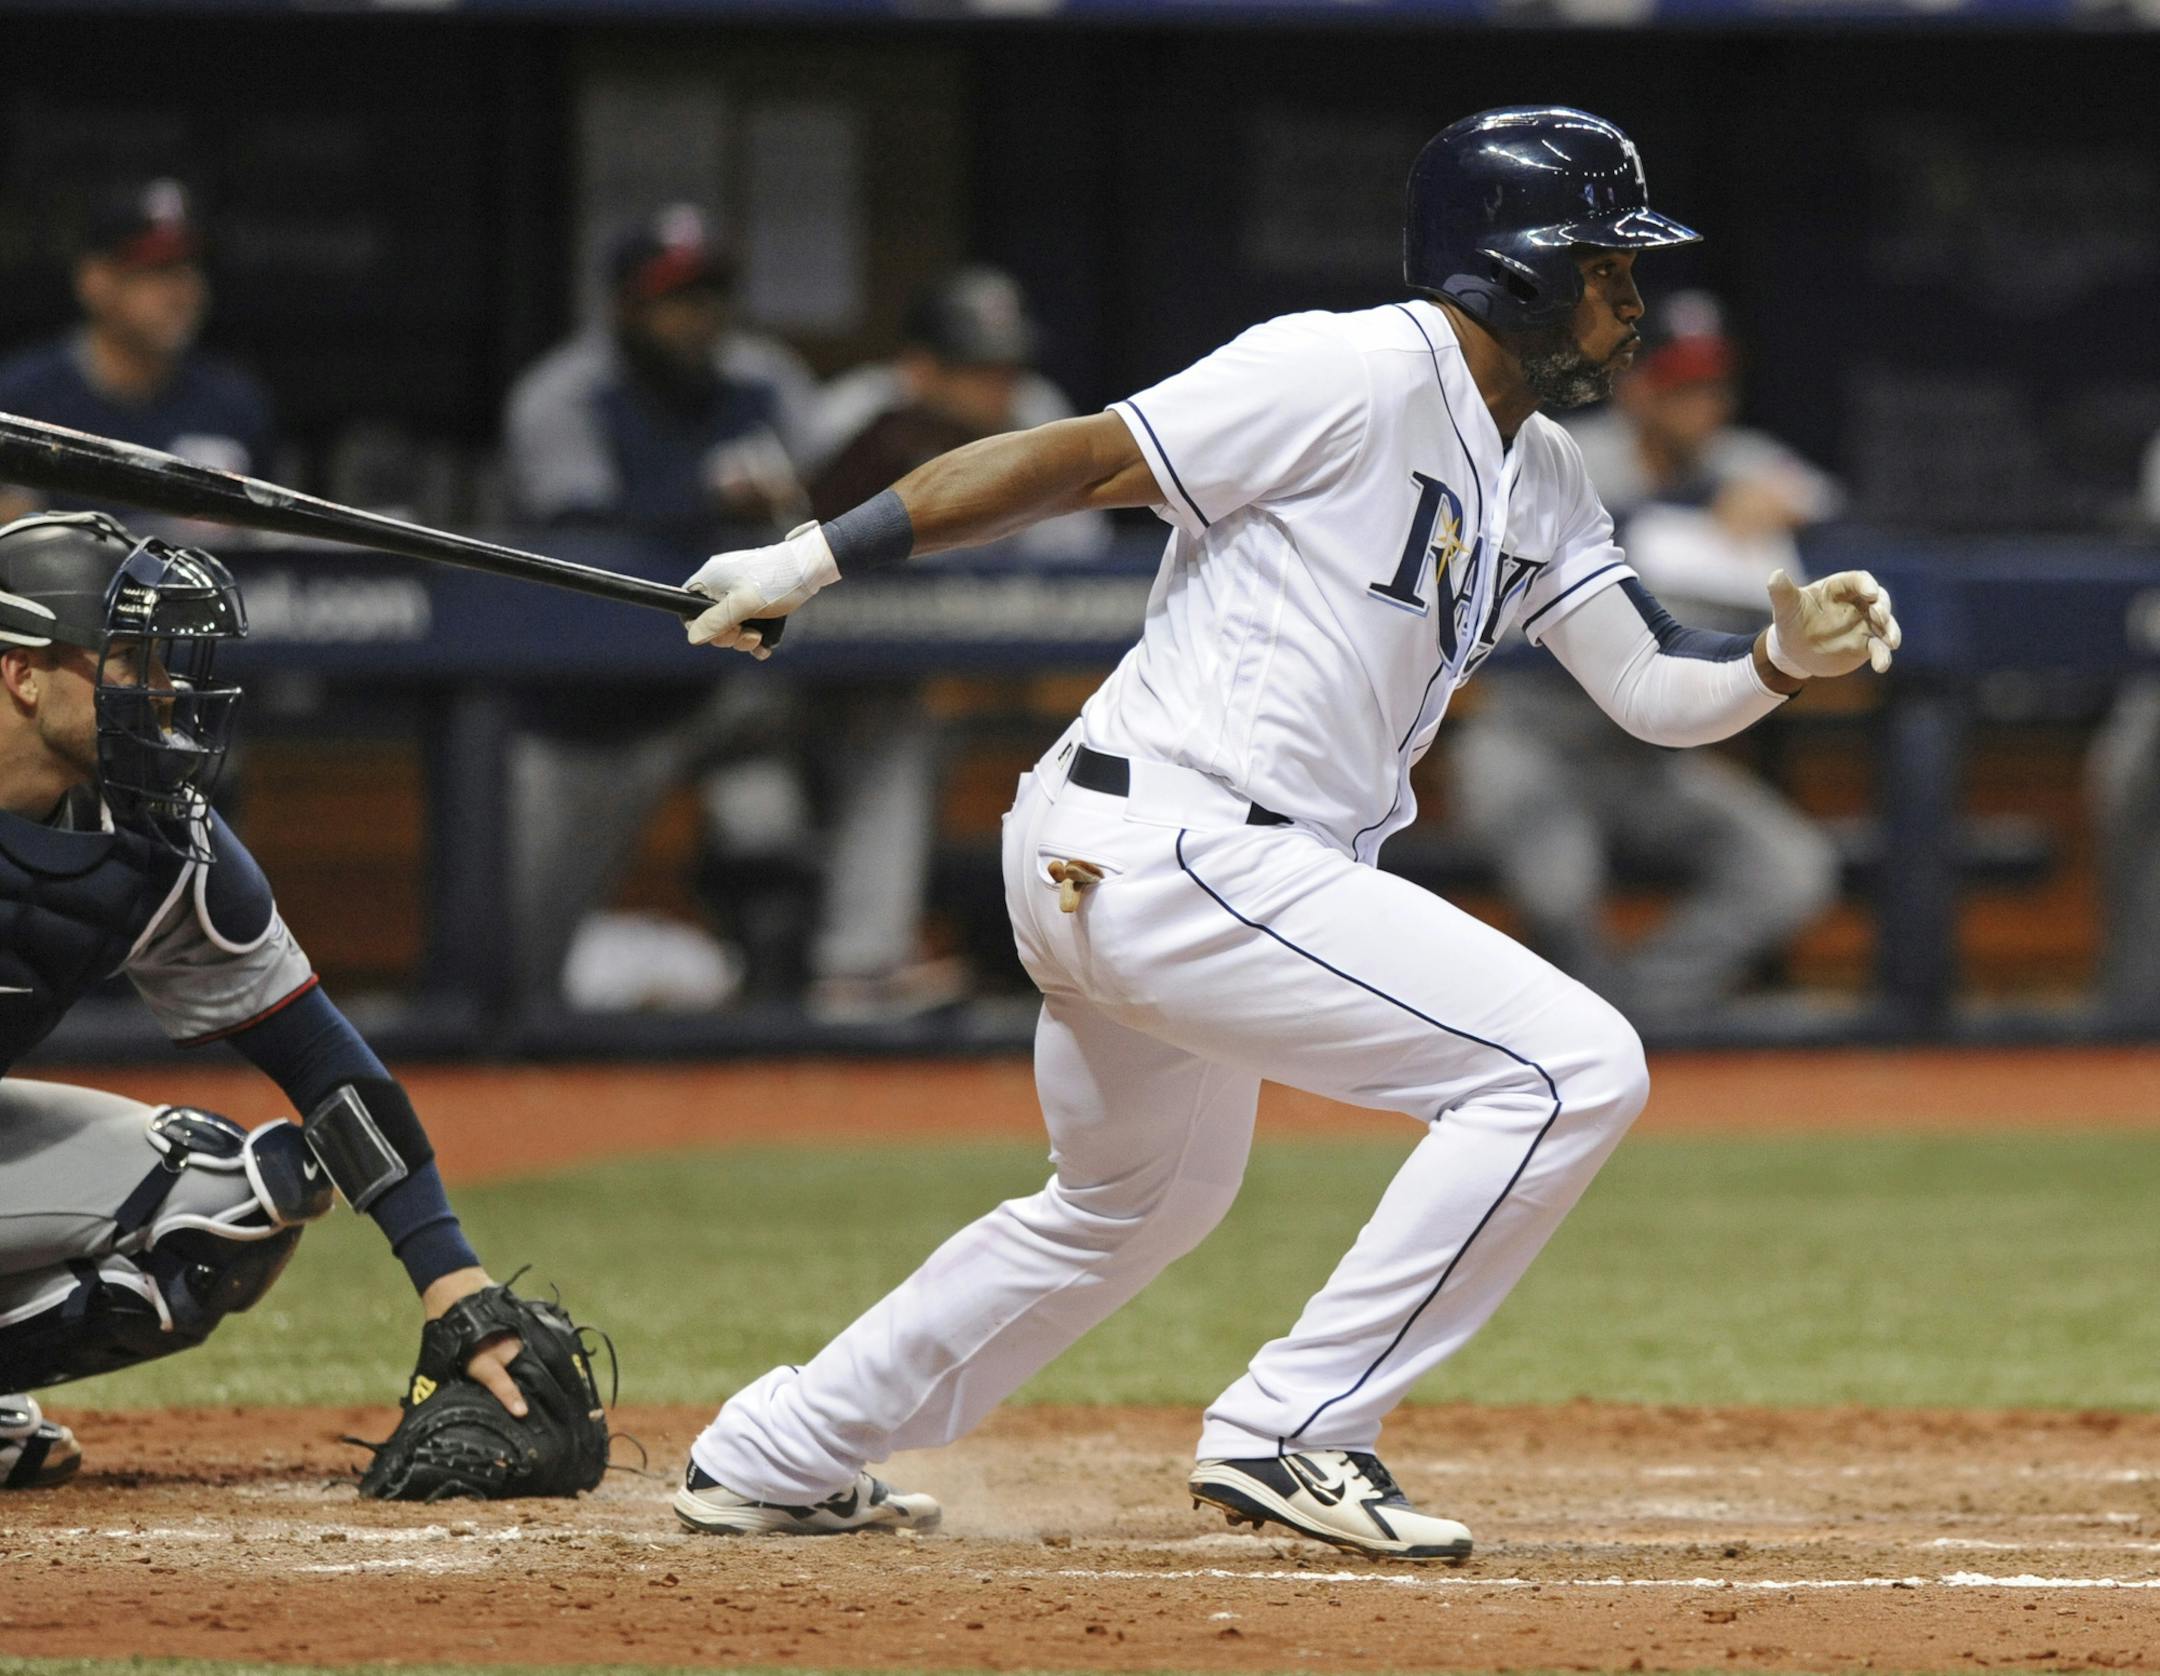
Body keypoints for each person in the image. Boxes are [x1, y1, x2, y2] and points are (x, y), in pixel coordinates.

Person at [667, 106, 1900, 1557]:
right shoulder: (1347, 369)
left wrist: (1779, 666)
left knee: (1130, 1206)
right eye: (1605, 269)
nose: (1627, 302)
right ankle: (1298, 1427)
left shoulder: (1549, 475)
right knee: (1570, 1068)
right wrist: (813, 556)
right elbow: (1073, 460)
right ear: (1512, 269)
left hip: (1157, 854)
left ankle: (779, 1449)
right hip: (1185, 843)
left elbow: (1648, 686)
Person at [0, 512, 591, 1497]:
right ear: (24, 673)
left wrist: (455, 1281)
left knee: (233, 1194)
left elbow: (328, 1066)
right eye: (128, 660)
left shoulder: (154, 844)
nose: (160, 690)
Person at [1449, 290, 1844, 1022]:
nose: (1704, 404)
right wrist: (1696, 518)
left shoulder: (1736, 461)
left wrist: (1787, 502)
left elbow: (1824, 495)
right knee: (1561, 892)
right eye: (1681, 385)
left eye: (1713, 384)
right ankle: (1583, 1027)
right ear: (1636, 387)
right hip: (1535, 745)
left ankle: (1642, 1016)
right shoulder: (1575, 456)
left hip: (1647, 759)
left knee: (1792, 869)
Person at [500, 206, 818, 1005]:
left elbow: (824, 502)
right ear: (626, 308)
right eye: (675, 298)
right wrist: (709, 501)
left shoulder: (764, 379)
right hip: (591, 713)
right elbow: (584, 545)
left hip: (724, 693)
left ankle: (772, 1040)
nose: (698, 318)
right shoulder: (566, 394)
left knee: (768, 822)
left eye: (710, 295)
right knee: (521, 962)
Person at [799, 268, 1110, 1021]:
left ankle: (1095, 967)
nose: (1000, 389)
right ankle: (860, 966)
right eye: (977, 371)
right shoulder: (852, 412)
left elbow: (1077, 572)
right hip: (819, 678)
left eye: (1007, 367)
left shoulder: (1039, 414)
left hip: (991, 680)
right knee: (891, 726)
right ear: (919, 368)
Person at [0, 181, 274, 528]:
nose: (182, 291)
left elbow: (269, 553)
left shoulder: (234, 405)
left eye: (191, 266)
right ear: (95, 280)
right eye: (157, 270)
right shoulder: (19, 400)